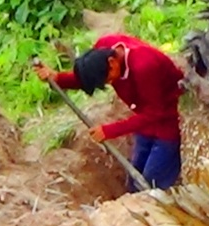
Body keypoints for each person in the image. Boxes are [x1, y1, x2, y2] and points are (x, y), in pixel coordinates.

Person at [34, 34, 183, 192]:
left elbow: (155, 113)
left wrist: (109, 131)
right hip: (145, 122)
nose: (110, 83)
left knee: (153, 185)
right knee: (135, 182)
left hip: (168, 121)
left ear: (112, 63)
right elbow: (89, 78)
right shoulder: (104, 48)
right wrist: (58, 78)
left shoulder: (144, 67)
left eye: (108, 80)